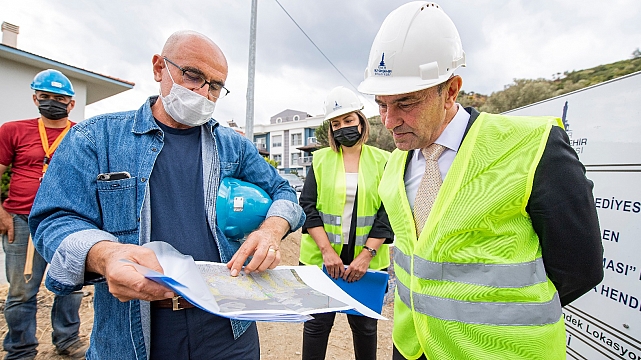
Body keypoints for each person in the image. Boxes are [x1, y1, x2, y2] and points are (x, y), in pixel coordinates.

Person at [28, 31, 305, 360]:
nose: (203, 93)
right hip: (136, 330)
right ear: (159, 68)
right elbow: (54, 219)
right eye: (193, 76)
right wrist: (105, 255)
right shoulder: (95, 138)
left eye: (215, 86)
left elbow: (284, 191)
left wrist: (271, 230)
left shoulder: (234, 146)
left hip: (228, 325)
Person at [357, 2, 603, 359]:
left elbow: (579, 269)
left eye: (406, 103)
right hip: (413, 348)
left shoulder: (532, 146)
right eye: (381, 104)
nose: (390, 120)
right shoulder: (394, 165)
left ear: (451, 90)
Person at [299, 86, 393, 360]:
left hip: (368, 263)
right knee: (316, 326)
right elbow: (308, 207)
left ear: (362, 121)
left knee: (365, 327)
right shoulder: (320, 160)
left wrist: (367, 255)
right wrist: (327, 251)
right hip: (321, 260)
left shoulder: (384, 161)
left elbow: (388, 213)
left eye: (349, 120)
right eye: (336, 123)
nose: (343, 128)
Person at [0, 69, 88, 360]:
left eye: (59, 98)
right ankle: (20, 349)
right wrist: (1, 212)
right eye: (46, 97)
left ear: (71, 103)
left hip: (65, 221)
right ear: (35, 98)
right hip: (22, 220)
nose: (52, 102)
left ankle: (68, 339)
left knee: (71, 286)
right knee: (22, 291)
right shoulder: (13, 130)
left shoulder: (79, 135)